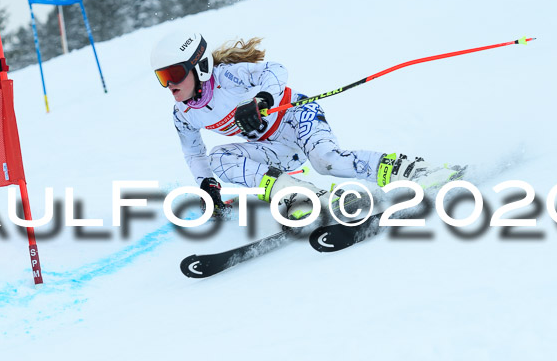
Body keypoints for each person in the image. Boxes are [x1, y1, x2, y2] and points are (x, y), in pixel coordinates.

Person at [150, 31, 461, 220]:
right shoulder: (183, 114)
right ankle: (299, 195)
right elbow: (194, 153)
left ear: (200, 65)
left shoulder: (228, 76)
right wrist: (208, 185)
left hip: (296, 116)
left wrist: (260, 100)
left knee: (328, 161)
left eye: (175, 74)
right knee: (219, 157)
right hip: (273, 147)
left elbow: (276, 69)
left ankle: (410, 171)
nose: (170, 85)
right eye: (163, 78)